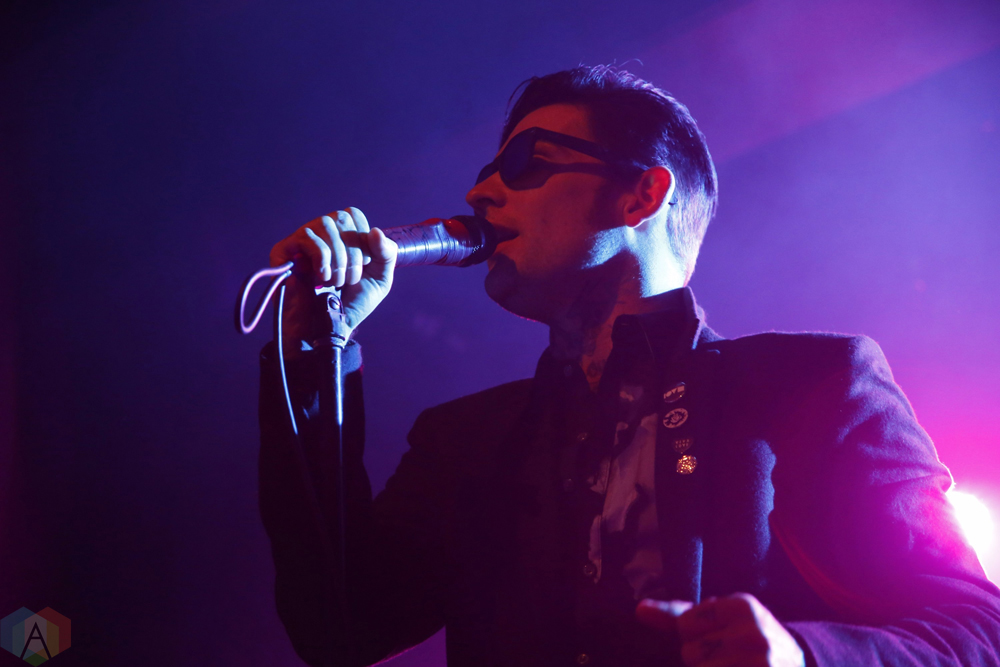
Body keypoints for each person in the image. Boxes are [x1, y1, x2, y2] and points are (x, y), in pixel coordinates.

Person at [258, 66, 1000, 667]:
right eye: (486, 171)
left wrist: (802, 655)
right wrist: (316, 348)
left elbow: (976, 629)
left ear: (643, 193)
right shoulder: (464, 439)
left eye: (523, 162)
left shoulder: (815, 385)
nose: (480, 192)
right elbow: (338, 628)